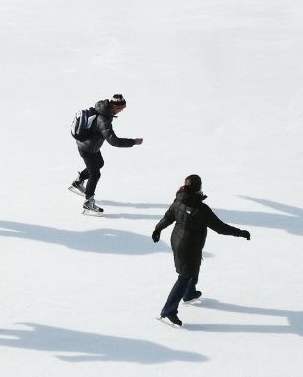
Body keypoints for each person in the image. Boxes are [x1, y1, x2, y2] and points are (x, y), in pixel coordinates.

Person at [152, 174, 250, 327]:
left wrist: (158, 229)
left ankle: (190, 293)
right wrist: (241, 232)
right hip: (188, 245)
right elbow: (220, 228)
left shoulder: (179, 199)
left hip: (177, 240)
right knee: (184, 276)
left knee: (193, 265)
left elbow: (169, 216)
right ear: (199, 187)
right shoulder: (200, 208)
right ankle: (168, 310)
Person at [69, 93, 143, 216]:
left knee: (100, 163)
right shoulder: (103, 119)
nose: (121, 111)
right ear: (114, 107)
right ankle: (88, 202)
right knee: (95, 173)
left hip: (91, 146)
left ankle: (78, 182)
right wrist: (133, 142)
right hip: (87, 148)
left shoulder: (103, 111)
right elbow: (114, 141)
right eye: (121, 109)